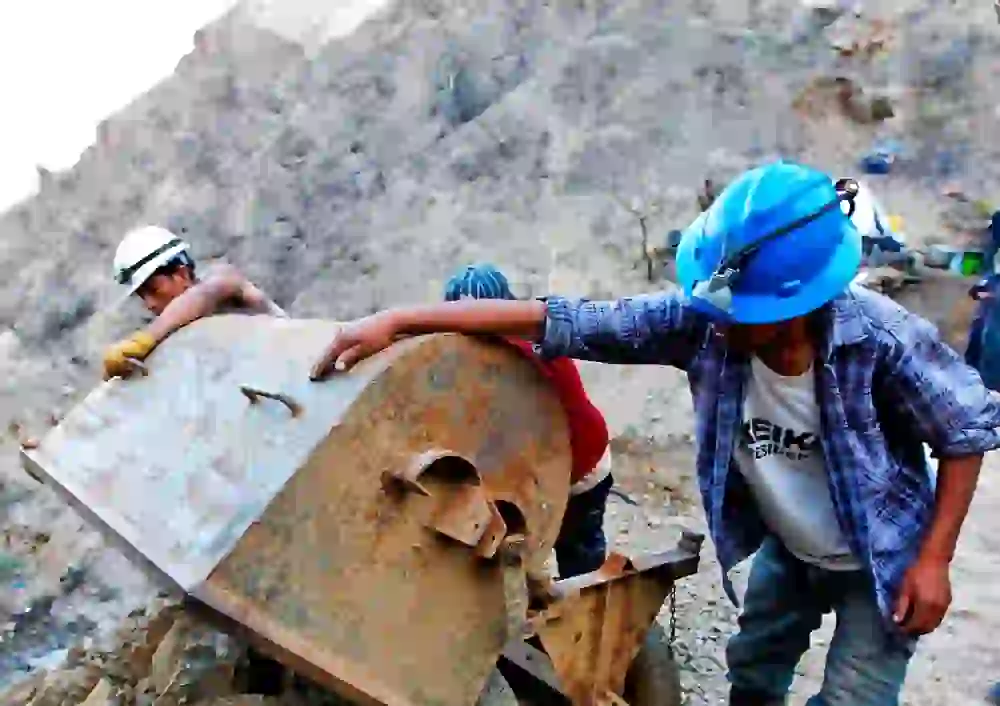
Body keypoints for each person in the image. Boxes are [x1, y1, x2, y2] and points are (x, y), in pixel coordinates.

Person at [310, 161, 1000, 706]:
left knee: (855, 698)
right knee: (754, 673)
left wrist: (934, 560)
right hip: (790, 551)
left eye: (740, 312)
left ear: (799, 305)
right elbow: (564, 320)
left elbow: (965, 429)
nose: (719, 322)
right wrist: (400, 321)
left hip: (880, 560)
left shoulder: (880, 340)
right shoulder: (699, 325)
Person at [443, 263, 613, 579]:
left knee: (579, 557)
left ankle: (598, 617)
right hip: (553, 459)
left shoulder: (526, 353)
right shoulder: (497, 354)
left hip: (582, 467)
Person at [103, 225, 285, 380]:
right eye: (143, 296)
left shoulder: (223, 282)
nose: (149, 304)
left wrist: (142, 340)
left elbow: (205, 294)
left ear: (181, 274)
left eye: (153, 290)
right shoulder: (175, 339)